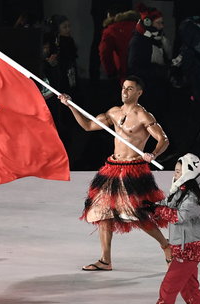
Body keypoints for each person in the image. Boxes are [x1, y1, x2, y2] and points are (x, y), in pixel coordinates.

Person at [58, 75, 171, 271]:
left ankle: (166, 245)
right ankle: (105, 260)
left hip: (132, 169)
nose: (124, 91)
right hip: (112, 167)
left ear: (139, 92)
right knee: (103, 212)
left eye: (129, 89)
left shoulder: (143, 116)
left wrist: (153, 153)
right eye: (124, 88)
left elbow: (163, 139)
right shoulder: (113, 113)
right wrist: (71, 106)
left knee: (137, 213)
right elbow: (88, 126)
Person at [137, 153, 200, 304]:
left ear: (189, 172)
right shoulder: (181, 190)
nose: (176, 173)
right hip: (182, 247)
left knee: (168, 288)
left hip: (189, 249)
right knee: (190, 291)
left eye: (180, 171)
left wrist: (157, 210)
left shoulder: (194, 196)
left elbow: (180, 216)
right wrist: (151, 206)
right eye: (176, 170)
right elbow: (168, 205)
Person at [127, 3, 172, 124]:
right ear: (147, 23)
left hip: (158, 88)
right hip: (148, 92)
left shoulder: (158, 38)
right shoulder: (139, 42)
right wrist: (158, 71)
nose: (161, 26)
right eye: (158, 23)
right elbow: (134, 69)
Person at [99, 5, 140, 84]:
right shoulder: (142, 27)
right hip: (145, 73)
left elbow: (105, 53)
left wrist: (111, 72)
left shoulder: (111, 30)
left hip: (124, 73)